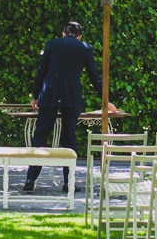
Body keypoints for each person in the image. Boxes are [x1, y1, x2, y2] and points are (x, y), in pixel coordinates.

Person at [25, 20, 101, 192]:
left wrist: (35, 95)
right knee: (68, 138)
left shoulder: (52, 44)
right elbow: (94, 76)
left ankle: (30, 179)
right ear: (80, 35)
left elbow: (41, 71)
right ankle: (69, 182)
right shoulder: (85, 48)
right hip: (71, 95)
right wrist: (106, 100)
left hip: (49, 92)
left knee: (41, 135)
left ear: (63, 33)